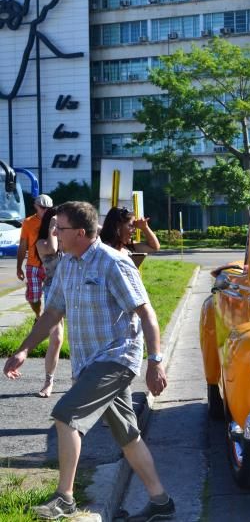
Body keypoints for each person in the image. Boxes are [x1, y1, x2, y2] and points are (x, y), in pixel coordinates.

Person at [3, 201, 176, 521]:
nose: (55, 232)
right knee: (128, 435)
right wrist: (25, 349)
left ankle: (64, 497)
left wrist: (156, 361)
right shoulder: (67, 264)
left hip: (117, 357)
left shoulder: (113, 263)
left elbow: (146, 312)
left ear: (80, 233)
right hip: (87, 362)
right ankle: (161, 502)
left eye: (61, 228)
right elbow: (52, 313)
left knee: (66, 415)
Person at [34, 208, 64, 398]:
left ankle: (80, 380)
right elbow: (52, 249)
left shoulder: (67, 241)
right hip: (53, 290)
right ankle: (48, 381)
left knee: (79, 337)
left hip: (73, 288)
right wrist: (53, 225)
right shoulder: (42, 243)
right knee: (57, 338)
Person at [16, 194, 53, 319]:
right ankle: (38, 316)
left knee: (52, 299)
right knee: (34, 298)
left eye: (48, 208)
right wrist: (18, 267)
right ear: (36, 206)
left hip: (51, 265)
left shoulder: (56, 221)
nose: (45, 210)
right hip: (33, 265)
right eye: (42, 207)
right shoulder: (28, 222)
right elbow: (22, 245)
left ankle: (48, 321)